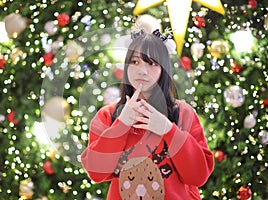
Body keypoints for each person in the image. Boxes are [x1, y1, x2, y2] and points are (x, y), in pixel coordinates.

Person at [81, 29, 214, 200]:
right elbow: (96, 172)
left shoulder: (182, 113)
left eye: (152, 63)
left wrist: (168, 129)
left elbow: (198, 175)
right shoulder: (108, 115)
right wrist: (121, 125)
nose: (142, 71)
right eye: (135, 62)